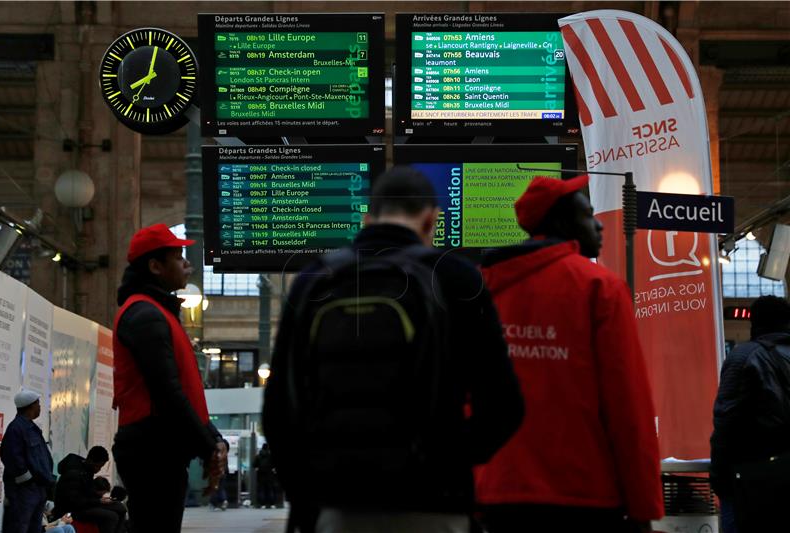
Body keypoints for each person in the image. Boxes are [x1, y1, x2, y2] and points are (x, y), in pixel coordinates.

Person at [264, 166, 524, 533]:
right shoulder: (456, 277)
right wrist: (447, 463)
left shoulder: (313, 279)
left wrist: (309, 491)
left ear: (367, 218)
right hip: (435, 504)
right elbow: (504, 405)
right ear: (431, 220)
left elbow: (279, 409)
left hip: (337, 503)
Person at [474, 175, 664, 532]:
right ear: (562, 224)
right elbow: (627, 405)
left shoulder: (483, 289)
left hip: (498, 492)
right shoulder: (599, 288)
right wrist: (643, 506)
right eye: (588, 215)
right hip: (583, 493)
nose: (598, 224)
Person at [111, 223, 227, 533]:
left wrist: (213, 437)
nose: (188, 264)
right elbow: (167, 391)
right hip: (151, 451)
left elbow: (184, 391)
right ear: (155, 266)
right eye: (179, 257)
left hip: (159, 448)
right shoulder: (145, 315)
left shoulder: (155, 313)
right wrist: (207, 447)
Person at [710, 295, 790, 533]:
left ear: (754, 323)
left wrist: (719, 479)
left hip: (750, 480)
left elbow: (725, 420)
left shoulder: (744, 357)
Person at [0, 388, 56, 533]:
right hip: (24, 491)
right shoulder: (16, 428)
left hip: (36, 489)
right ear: (30, 406)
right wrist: (27, 479)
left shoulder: (31, 428)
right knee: (19, 527)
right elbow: (11, 456)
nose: (40, 407)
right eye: (38, 404)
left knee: (34, 528)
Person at [52, 446, 125, 533]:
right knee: (111, 517)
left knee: (120, 508)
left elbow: (87, 492)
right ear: (90, 460)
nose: (98, 470)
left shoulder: (87, 471)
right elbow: (74, 502)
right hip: (72, 510)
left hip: (85, 504)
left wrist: (99, 498)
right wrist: (98, 501)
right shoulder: (73, 474)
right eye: (98, 466)